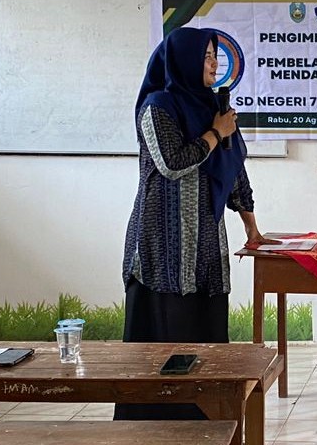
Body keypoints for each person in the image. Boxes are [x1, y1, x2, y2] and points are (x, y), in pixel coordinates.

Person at [115, 27, 273, 420]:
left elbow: (234, 172)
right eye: (206, 56)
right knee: (164, 334)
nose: (214, 64)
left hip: (205, 241)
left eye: (215, 56)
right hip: (162, 242)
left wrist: (252, 228)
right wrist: (215, 133)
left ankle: (209, 423)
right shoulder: (157, 107)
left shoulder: (214, 107)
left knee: (205, 331)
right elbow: (172, 163)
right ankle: (153, 423)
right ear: (183, 60)